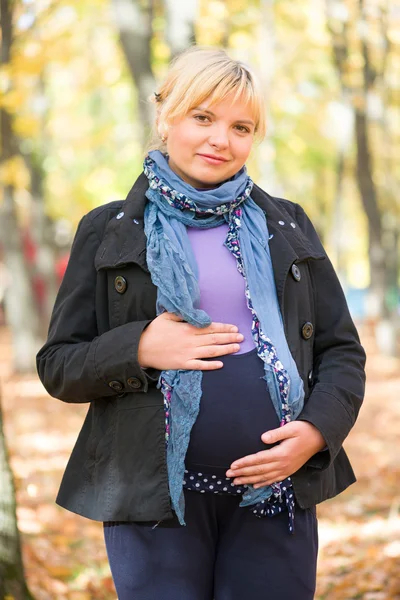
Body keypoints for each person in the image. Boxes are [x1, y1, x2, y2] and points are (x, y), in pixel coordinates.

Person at [36, 46, 366, 600]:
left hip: (275, 495)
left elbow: (342, 352)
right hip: (154, 504)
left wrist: (314, 433)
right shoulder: (110, 229)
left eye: (242, 126)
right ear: (166, 117)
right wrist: (139, 346)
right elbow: (58, 364)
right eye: (203, 117)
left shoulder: (287, 224)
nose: (221, 139)